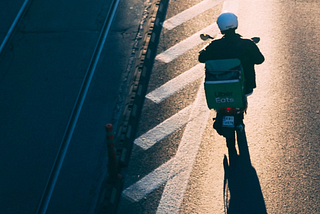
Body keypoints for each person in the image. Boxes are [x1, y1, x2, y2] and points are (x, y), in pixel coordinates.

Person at [198, 12, 265, 95]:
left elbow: (201, 58)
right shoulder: (247, 43)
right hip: (246, 86)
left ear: (220, 26)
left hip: (219, 86)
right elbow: (260, 60)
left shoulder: (215, 45)